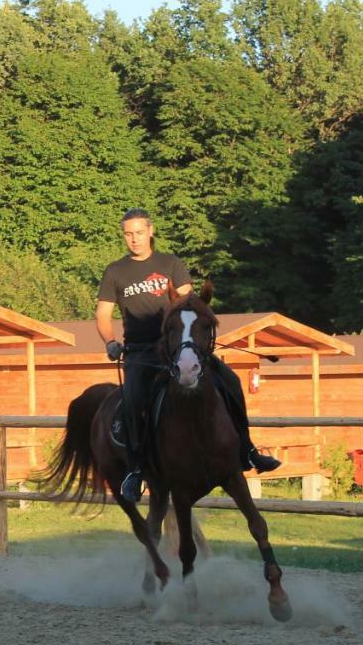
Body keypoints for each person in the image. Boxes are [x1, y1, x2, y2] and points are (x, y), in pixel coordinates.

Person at [95, 208, 280, 501]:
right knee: (132, 399)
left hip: (178, 348)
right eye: (128, 234)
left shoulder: (171, 264)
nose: (134, 239)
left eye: (139, 232)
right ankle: (136, 469)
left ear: (151, 231)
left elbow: (189, 303)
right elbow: (103, 314)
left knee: (229, 380)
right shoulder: (115, 271)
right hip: (140, 352)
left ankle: (248, 450)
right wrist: (109, 341)